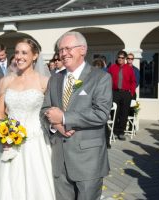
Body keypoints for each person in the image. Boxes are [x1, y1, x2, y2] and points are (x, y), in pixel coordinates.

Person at [40, 31, 112, 200]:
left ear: (82, 50)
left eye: (67, 48)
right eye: (60, 50)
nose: (63, 53)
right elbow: (44, 110)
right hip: (59, 159)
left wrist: (65, 118)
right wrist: (55, 125)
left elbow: (101, 113)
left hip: (88, 162)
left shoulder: (100, 77)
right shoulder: (55, 79)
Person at [0, 38, 55, 200]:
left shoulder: (45, 81)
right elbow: (0, 114)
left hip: (35, 143)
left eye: (24, 52)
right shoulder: (6, 81)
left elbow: (50, 112)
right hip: (9, 142)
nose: (19, 56)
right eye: (16, 52)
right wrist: (5, 133)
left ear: (35, 56)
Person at [107, 51, 136, 140]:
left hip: (126, 93)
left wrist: (131, 93)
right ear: (117, 58)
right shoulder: (112, 68)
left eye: (122, 58)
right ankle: (114, 131)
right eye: (119, 57)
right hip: (115, 92)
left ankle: (121, 132)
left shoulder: (129, 68)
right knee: (115, 112)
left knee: (124, 113)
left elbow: (133, 82)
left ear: (125, 59)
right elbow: (107, 79)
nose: (120, 59)